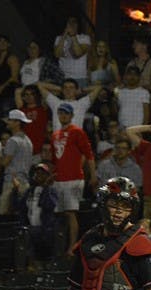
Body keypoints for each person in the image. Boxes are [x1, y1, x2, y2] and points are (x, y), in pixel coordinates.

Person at [50, 102, 97, 256]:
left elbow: (89, 154)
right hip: (59, 180)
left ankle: (72, 247)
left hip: (74, 178)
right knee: (59, 214)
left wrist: (93, 176)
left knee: (71, 213)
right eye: (61, 113)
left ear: (71, 116)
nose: (63, 115)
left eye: (66, 113)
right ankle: (59, 247)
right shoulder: (54, 135)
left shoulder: (77, 132)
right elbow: (55, 159)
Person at [0, 109, 34, 215]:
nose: (8, 122)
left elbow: (5, 162)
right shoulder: (28, 141)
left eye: (10, 120)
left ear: (17, 122)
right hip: (25, 182)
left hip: (12, 183)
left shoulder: (13, 141)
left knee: (4, 214)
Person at [54, 16, 91, 87]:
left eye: (74, 22)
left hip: (79, 77)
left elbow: (78, 53)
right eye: (69, 22)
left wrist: (73, 36)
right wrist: (64, 35)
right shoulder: (58, 38)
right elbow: (57, 54)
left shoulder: (85, 38)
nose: (72, 24)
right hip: (63, 77)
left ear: (78, 25)